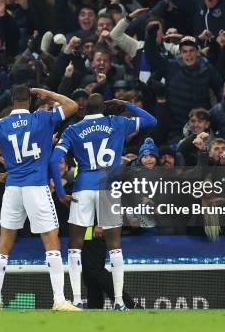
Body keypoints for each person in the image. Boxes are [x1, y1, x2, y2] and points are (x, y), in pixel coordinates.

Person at [0, 85, 79, 311]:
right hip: (36, 187)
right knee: (51, 239)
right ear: (29, 102)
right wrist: (48, 95)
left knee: (4, 242)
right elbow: (73, 105)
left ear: (12, 101)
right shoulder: (41, 118)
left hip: (12, 188)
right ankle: (59, 299)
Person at [49, 94, 157, 310]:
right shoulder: (118, 122)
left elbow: (53, 159)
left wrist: (61, 192)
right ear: (105, 108)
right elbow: (151, 121)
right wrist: (125, 104)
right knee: (114, 246)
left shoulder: (73, 129)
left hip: (83, 188)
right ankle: (118, 301)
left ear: (84, 108)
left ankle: (77, 299)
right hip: (109, 188)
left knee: (75, 246)